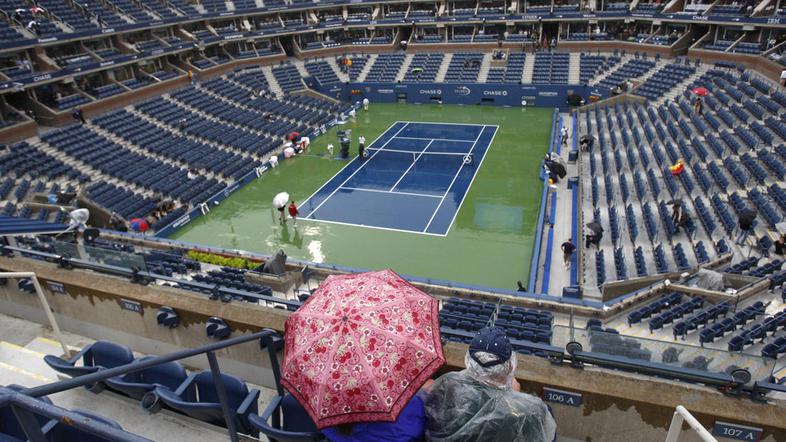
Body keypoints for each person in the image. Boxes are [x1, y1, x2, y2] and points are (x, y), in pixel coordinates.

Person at [424, 327, 557, 442]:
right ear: (510, 366)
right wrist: (512, 400)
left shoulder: (444, 385)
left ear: (469, 361)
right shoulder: (534, 410)